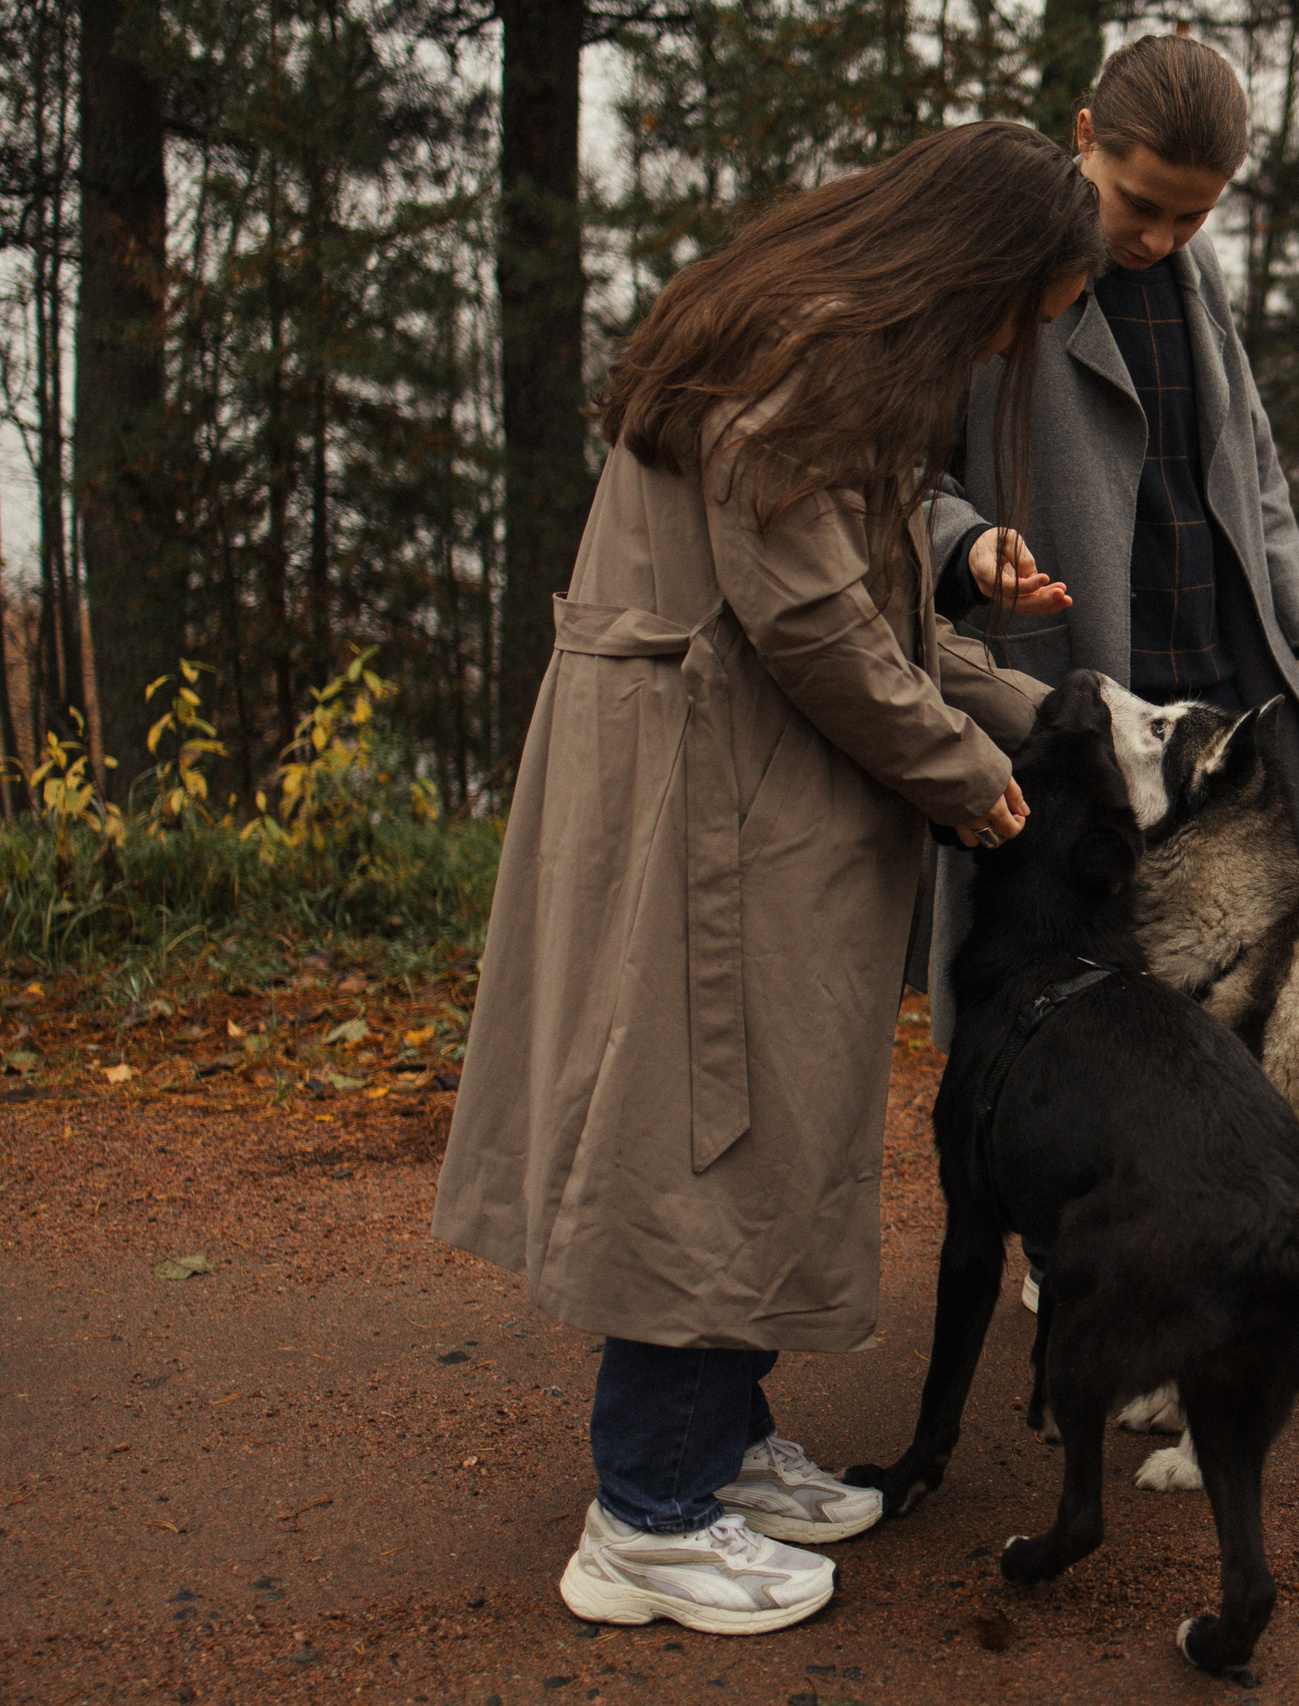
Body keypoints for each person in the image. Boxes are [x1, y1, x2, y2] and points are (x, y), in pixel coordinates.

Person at [429, 122, 1105, 1637]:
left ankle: (717, 1449)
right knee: (705, 1128)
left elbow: (858, 609)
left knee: (762, 1110)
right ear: (973, 269)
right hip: (708, 800)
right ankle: (648, 1519)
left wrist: (1029, 713)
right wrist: (970, 777)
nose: (1007, 348)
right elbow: (807, 621)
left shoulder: (820, 338)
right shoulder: (801, 357)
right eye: (1018, 312)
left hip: (744, 787)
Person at [916, 38, 1299, 1308]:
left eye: (1191, 214)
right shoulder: (990, 271)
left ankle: (1201, 1222)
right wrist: (962, 547)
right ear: (1083, 135)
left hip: (1215, 677)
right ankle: (1065, 1240)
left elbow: (1253, 470)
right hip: (1065, 680)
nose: (1160, 237)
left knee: (1219, 969)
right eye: (1139, 205)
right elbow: (901, 466)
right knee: (1066, 972)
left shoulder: (1196, 278)